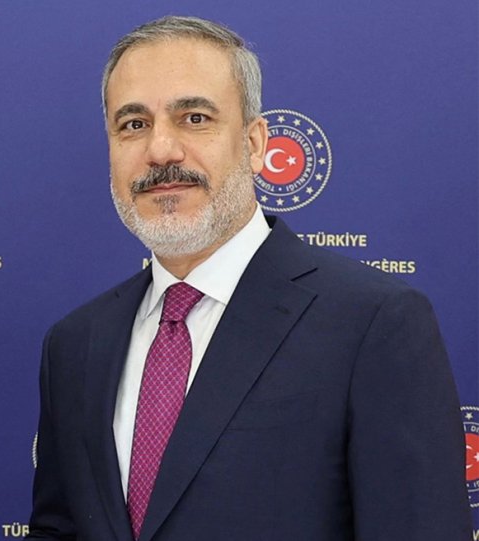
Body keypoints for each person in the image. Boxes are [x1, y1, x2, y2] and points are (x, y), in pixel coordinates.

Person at [26, 16, 469, 540]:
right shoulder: (75, 344)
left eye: (194, 118)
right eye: (134, 124)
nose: (161, 150)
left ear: (256, 143)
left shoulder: (373, 324)